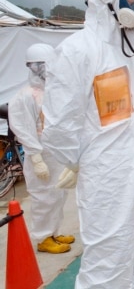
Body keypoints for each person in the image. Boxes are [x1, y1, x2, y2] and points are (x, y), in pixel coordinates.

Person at [41, 0, 134, 287]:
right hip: (109, 179)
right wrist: (84, 162)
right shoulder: (79, 50)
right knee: (107, 264)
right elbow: (58, 125)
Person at [8, 43, 75, 254]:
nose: (47, 70)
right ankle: (43, 237)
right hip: (40, 155)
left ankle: (53, 232)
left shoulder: (53, 92)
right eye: (42, 65)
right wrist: (36, 159)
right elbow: (23, 129)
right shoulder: (25, 96)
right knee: (43, 197)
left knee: (58, 195)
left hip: (55, 154)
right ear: (32, 67)